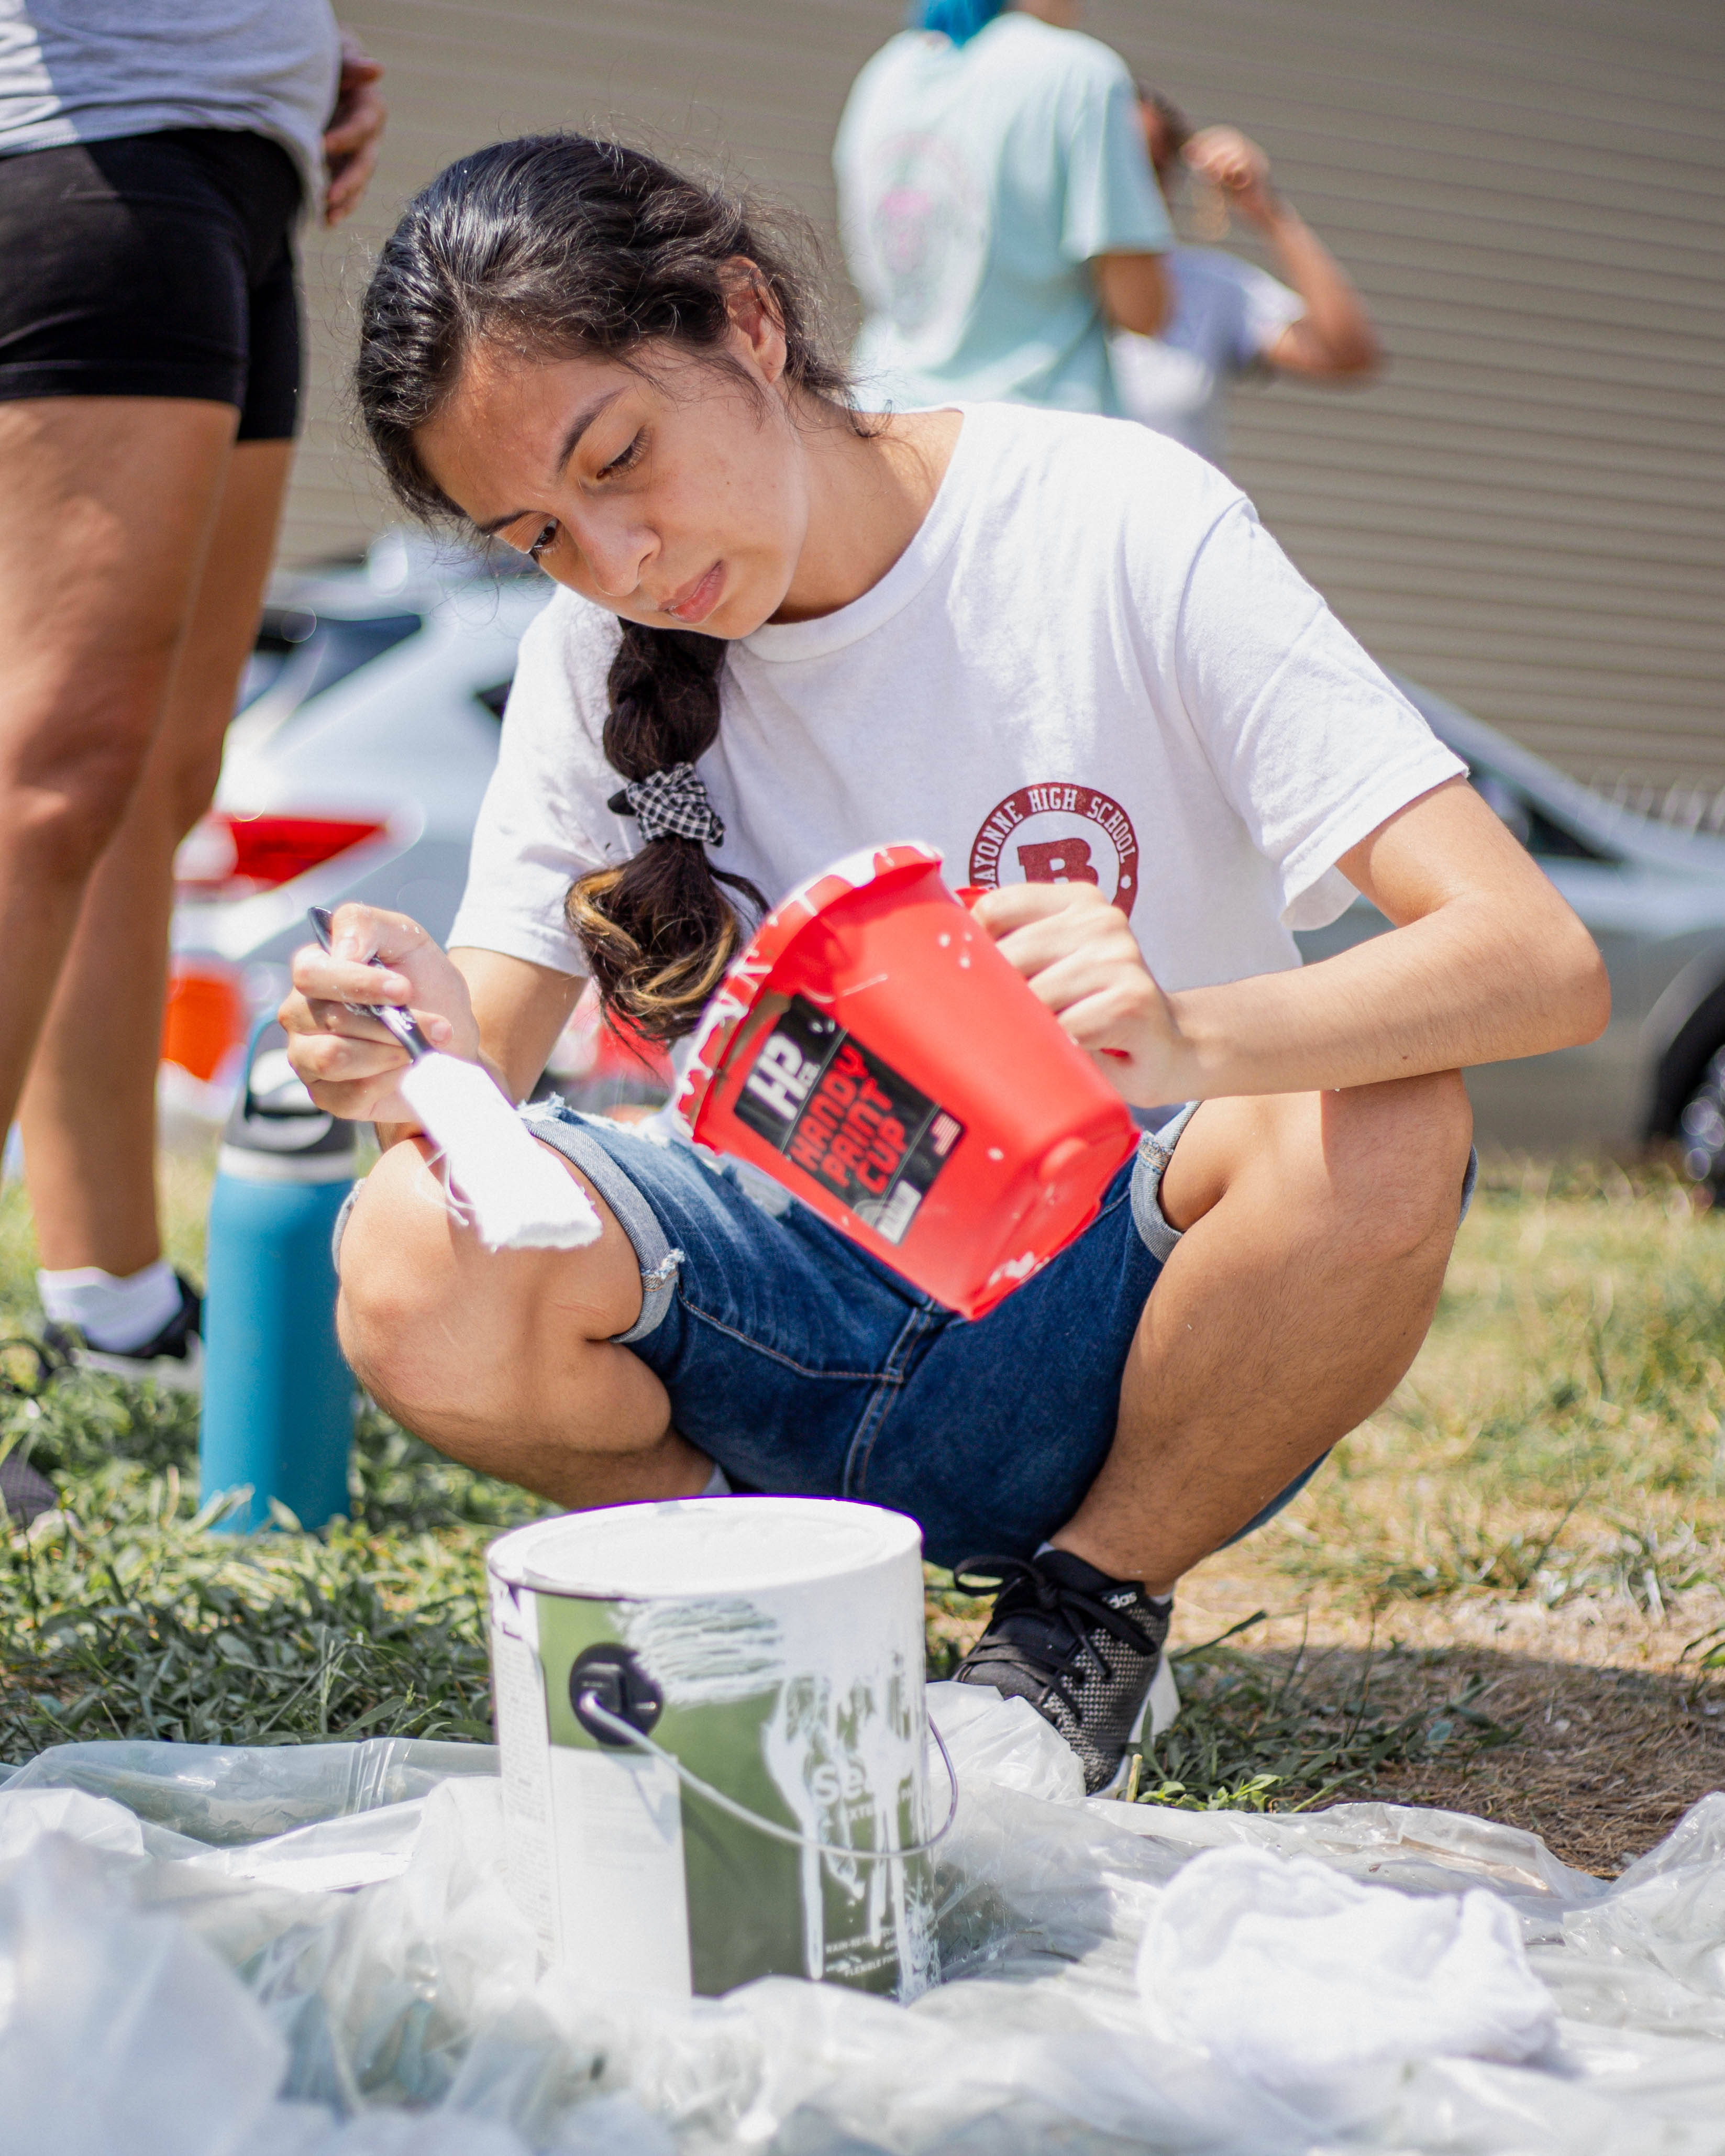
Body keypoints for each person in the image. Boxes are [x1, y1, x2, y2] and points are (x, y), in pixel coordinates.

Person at [282, 136, 1606, 1794]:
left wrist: (1185, 1034)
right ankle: (771, 1596)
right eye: (540, 532)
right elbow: (475, 1077)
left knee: (1388, 1109)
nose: (616, 560)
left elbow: (1534, 955)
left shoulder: (1115, 519)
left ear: (747, 320)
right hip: (781, 1311)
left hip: (1121, 1327)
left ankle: (1081, 1617)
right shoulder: (592, 655)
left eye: (619, 457)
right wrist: (402, 1044)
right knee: (405, 1241)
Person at [0, 2, 386, 1388]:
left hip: (239, 159)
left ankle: (112, 1301)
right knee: (48, 779)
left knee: (154, 775)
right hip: (89, 148)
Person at [834, 0, 1170, 414]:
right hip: (1034, 429)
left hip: (888, 416)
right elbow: (1142, 310)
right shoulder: (1080, 73)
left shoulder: (885, 72)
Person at [1111, 92, 1380, 470]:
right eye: (1112, 161)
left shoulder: (1208, 288)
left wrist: (1267, 211)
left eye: (1148, 168)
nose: (1125, 185)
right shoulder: (1028, 281)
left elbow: (1343, 352)